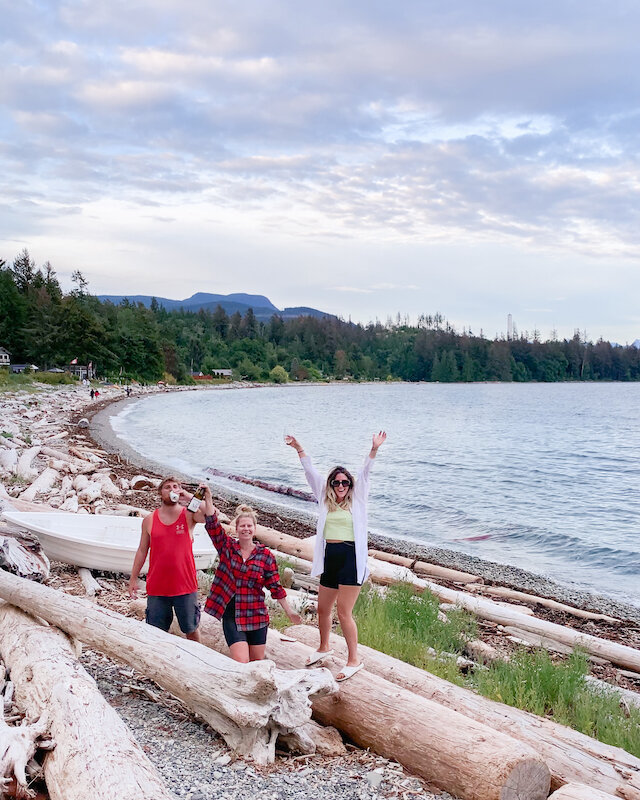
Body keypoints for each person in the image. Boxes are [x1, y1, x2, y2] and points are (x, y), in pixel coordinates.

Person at [285, 431, 387, 681]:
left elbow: (366, 472)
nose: (341, 486)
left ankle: (354, 660)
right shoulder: (325, 498)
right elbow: (311, 473)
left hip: (351, 560)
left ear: (350, 485)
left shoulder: (358, 500)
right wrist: (299, 448)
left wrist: (373, 450)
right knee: (322, 609)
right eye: (336, 483)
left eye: (345, 483)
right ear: (331, 485)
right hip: (330, 557)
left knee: (344, 613)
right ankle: (323, 647)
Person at [203, 495, 302, 663]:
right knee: (242, 663)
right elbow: (212, 525)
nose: (246, 529)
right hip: (232, 615)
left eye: (249, 526)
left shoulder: (265, 556)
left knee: (257, 665)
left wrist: (289, 611)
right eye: (242, 526)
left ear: (254, 529)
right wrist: (208, 497)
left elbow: (275, 587)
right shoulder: (227, 547)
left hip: (256, 615)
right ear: (236, 528)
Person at [128, 476, 207, 642]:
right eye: (168, 487)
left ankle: (197, 662)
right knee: (156, 633)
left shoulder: (189, 514)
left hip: (185, 585)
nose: (172, 489)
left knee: (191, 630)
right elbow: (142, 550)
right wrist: (133, 578)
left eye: (176, 486)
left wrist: (189, 495)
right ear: (160, 493)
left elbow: (209, 515)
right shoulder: (149, 520)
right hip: (158, 587)